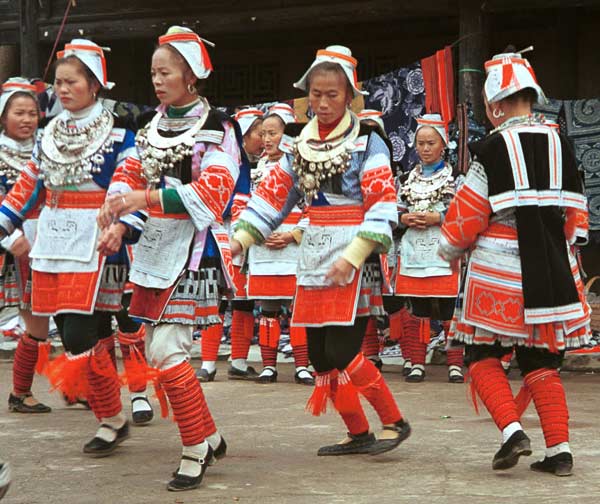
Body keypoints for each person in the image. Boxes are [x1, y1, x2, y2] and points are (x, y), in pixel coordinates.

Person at [232, 45, 410, 456]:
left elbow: (381, 202)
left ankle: (394, 421)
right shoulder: (300, 145)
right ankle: (358, 431)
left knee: (343, 348)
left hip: (353, 249)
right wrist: (242, 238)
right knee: (318, 355)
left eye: (332, 94)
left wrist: (354, 255)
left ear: (350, 95)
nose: (324, 103)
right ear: (306, 96)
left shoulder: (368, 141)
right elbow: (274, 196)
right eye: (316, 94)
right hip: (313, 252)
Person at [439, 50, 590, 476]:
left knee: (481, 353)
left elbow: (468, 214)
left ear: (496, 105)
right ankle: (559, 451)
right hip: (553, 268)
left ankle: (511, 432)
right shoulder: (562, 141)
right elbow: (578, 219)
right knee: (540, 360)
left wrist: (448, 248)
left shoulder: (492, 146)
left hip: (499, 268)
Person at [98, 26, 235, 491]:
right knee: (161, 349)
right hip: (154, 249)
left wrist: (142, 198)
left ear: (191, 75)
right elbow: (127, 175)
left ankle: (194, 447)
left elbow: (214, 192)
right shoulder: (150, 127)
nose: (157, 80)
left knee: (164, 350)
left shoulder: (218, 127)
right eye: (153, 72)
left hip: (195, 252)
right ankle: (210, 434)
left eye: (166, 71)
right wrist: (118, 218)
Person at [0, 41, 148, 454]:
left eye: (72, 82)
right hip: (53, 236)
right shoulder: (49, 134)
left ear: (94, 85)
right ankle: (111, 417)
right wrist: (4, 221)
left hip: (96, 237)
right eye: (59, 83)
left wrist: (117, 223)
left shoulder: (119, 133)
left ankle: (113, 415)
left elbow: (127, 180)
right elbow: (29, 185)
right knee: (72, 332)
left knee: (84, 331)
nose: (63, 90)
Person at [245, 103, 313, 385]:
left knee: (298, 306)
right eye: (264, 134)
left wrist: (292, 235)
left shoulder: (301, 167)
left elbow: (313, 209)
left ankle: (301, 365)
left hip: (293, 248)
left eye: (273, 133)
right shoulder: (257, 168)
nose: (268, 139)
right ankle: (269, 366)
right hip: (263, 249)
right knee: (268, 308)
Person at [196, 107, 263, 383]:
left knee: (244, 301)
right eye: (260, 133)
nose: (264, 139)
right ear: (244, 136)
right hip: (223, 232)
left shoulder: (258, 164)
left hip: (247, 236)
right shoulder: (230, 161)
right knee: (218, 297)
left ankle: (238, 361)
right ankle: (208, 363)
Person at [395, 114, 463, 383]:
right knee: (418, 307)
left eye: (430, 143)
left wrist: (440, 217)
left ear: (442, 145)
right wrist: (403, 218)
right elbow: (394, 211)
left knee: (448, 307)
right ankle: (417, 362)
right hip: (414, 249)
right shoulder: (405, 179)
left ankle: (455, 363)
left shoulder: (456, 178)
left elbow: (467, 213)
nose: (425, 148)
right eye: (420, 143)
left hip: (443, 250)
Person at [0, 78, 52, 413]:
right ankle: (21, 391)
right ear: (3, 117)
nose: (26, 119)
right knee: (35, 319)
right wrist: (8, 236)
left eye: (32, 112)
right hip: (13, 244)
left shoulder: (48, 147)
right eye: (18, 112)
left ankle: (65, 383)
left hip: (49, 240)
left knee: (48, 320)